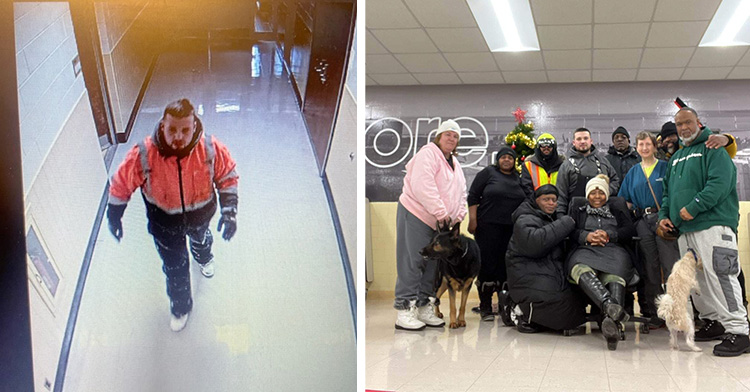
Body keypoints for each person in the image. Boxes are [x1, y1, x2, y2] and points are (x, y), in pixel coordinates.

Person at [107, 98, 239, 332]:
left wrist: (230, 212)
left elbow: (227, 175)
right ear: (162, 126)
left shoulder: (210, 148)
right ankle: (180, 307)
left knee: (201, 240)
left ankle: (204, 256)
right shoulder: (145, 153)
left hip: (200, 216)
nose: (178, 136)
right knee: (175, 267)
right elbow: (121, 182)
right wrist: (114, 214)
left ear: (194, 125)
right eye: (172, 130)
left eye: (185, 130)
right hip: (164, 224)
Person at [658, 107, 750, 356]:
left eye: (687, 122)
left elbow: (720, 183)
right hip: (685, 230)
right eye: (679, 124)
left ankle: (740, 331)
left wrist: (694, 207)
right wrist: (664, 216)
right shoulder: (676, 157)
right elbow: (667, 194)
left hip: (713, 225)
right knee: (698, 281)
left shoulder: (713, 148)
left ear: (698, 122)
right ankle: (714, 322)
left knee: (721, 275)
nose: (683, 128)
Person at [394, 119, 467, 331]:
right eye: (448, 134)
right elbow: (422, 185)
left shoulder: (455, 164)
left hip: (441, 223)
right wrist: (441, 212)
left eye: (455, 136)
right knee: (413, 260)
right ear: (439, 136)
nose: (451, 139)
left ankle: (424, 306)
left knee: (433, 264)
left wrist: (458, 215)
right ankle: (404, 309)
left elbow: (461, 193)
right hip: (417, 214)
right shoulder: (428, 154)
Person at [505, 184, 586, 333]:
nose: (551, 203)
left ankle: (535, 317)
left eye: (554, 200)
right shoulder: (524, 218)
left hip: (545, 270)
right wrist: (566, 223)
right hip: (526, 272)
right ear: (536, 201)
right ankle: (519, 311)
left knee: (573, 304)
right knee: (558, 306)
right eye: (546, 199)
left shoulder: (549, 218)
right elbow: (534, 244)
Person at [618, 131, 680, 326]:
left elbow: (674, 193)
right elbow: (624, 199)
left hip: (663, 220)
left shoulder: (665, 168)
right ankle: (656, 314)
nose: (644, 148)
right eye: (641, 145)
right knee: (650, 269)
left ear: (654, 146)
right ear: (636, 148)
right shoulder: (633, 172)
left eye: (648, 144)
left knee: (671, 267)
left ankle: (677, 313)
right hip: (643, 222)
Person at [567, 174, 636, 349]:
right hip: (586, 250)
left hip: (614, 250)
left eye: (601, 193)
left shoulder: (617, 207)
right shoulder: (578, 208)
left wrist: (609, 235)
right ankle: (611, 308)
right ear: (587, 195)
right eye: (592, 193)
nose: (596, 197)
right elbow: (570, 230)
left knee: (615, 275)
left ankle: (612, 320)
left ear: (606, 194)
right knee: (579, 267)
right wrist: (586, 236)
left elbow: (629, 230)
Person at [467, 146, 532, 321]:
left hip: (510, 230)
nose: (506, 160)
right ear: (498, 160)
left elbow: (527, 200)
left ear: (514, 161)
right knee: (487, 266)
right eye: (503, 157)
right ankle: (485, 307)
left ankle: (505, 307)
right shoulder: (488, 173)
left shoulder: (518, 179)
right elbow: (473, 196)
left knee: (505, 268)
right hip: (487, 227)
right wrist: (472, 220)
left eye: (510, 158)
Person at [555, 128, 620, 215]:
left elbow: (615, 181)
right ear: (574, 143)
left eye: (585, 138)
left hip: (603, 215)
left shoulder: (603, 161)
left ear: (591, 141)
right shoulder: (566, 165)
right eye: (579, 139)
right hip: (576, 216)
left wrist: (605, 191)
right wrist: (560, 215)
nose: (582, 141)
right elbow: (561, 194)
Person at [657, 120, 737, 160]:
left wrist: (727, 139)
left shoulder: (695, 150)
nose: (669, 140)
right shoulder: (664, 158)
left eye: (671, 136)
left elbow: (728, 154)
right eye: (666, 139)